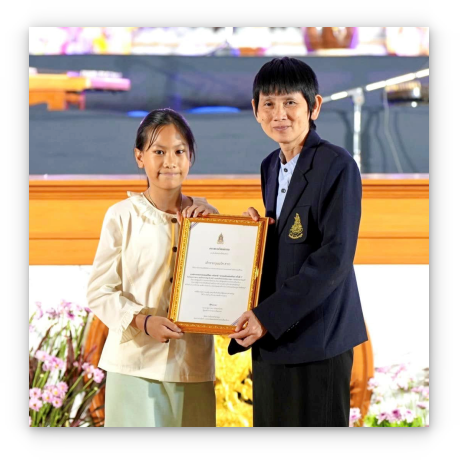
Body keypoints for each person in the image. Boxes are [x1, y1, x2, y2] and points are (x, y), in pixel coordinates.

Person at [228, 57, 368, 427]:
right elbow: (289, 240)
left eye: (290, 102)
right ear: (255, 110)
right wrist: (258, 235)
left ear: (314, 106)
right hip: (274, 340)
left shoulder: (337, 165)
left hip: (318, 339)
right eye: (269, 104)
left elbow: (334, 258)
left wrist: (266, 317)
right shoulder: (270, 166)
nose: (280, 114)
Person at [87, 108, 218, 428]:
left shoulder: (208, 217)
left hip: (192, 366)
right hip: (134, 366)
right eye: (158, 152)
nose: (169, 161)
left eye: (179, 151)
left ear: (190, 158)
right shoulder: (122, 216)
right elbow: (99, 292)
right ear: (139, 157)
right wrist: (143, 322)